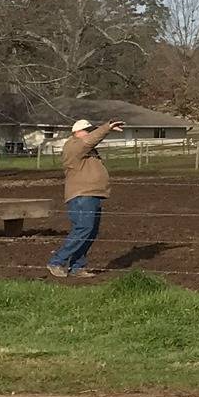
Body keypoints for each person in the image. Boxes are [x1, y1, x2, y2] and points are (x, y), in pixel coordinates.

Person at [46, 117, 123, 278]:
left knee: (89, 231)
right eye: (88, 131)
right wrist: (106, 128)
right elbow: (90, 141)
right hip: (82, 195)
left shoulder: (86, 149)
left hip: (91, 194)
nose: (90, 134)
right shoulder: (74, 146)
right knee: (83, 229)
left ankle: (77, 267)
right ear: (78, 132)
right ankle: (57, 261)